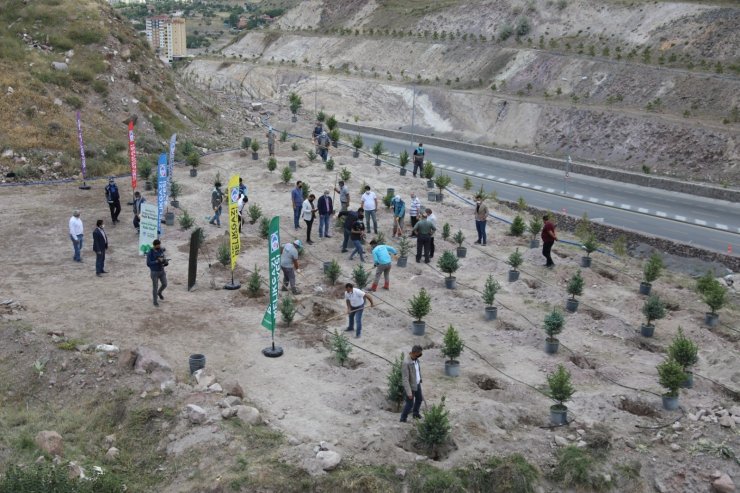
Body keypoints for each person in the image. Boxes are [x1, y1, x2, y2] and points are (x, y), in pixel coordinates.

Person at [400, 345, 424, 422]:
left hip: (417, 384)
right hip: (410, 387)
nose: (419, 355)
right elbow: (405, 379)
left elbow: (417, 371)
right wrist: (409, 392)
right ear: (414, 353)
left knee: (419, 399)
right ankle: (403, 418)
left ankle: (415, 414)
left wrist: (419, 379)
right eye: (419, 354)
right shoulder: (406, 363)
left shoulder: (416, 360)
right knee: (410, 404)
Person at [146, 239, 168, 307]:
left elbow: (163, 257)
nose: (159, 246)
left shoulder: (161, 250)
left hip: (161, 270)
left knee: (165, 284)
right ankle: (155, 301)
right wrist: (156, 261)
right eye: (158, 245)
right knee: (155, 287)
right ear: (154, 245)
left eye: (160, 245)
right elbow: (148, 263)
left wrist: (165, 261)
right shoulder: (150, 253)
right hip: (154, 272)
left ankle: (159, 292)